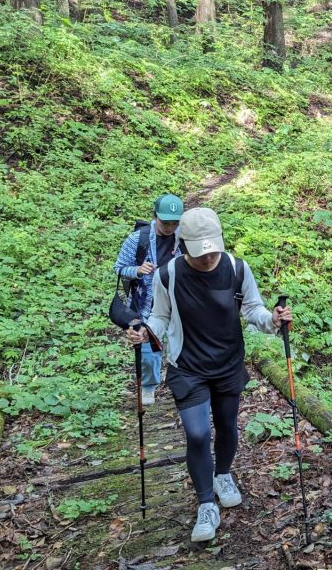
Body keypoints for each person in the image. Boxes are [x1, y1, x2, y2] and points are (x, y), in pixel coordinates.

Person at [126, 207, 292, 543]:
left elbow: (253, 309)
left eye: (212, 249)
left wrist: (272, 321)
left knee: (228, 425)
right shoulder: (168, 275)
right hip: (188, 366)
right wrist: (146, 331)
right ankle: (206, 504)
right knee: (198, 434)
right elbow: (160, 316)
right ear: (183, 245)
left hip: (229, 363)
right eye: (200, 251)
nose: (207, 257)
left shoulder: (236, 268)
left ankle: (223, 474)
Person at [113, 194, 185, 405]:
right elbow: (119, 268)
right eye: (165, 222)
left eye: (175, 222)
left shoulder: (185, 238)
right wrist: (138, 270)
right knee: (148, 347)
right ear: (155, 217)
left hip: (177, 301)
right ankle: (148, 386)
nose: (170, 227)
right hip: (145, 304)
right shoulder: (138, 239)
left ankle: (180, 382)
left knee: (180, 343)